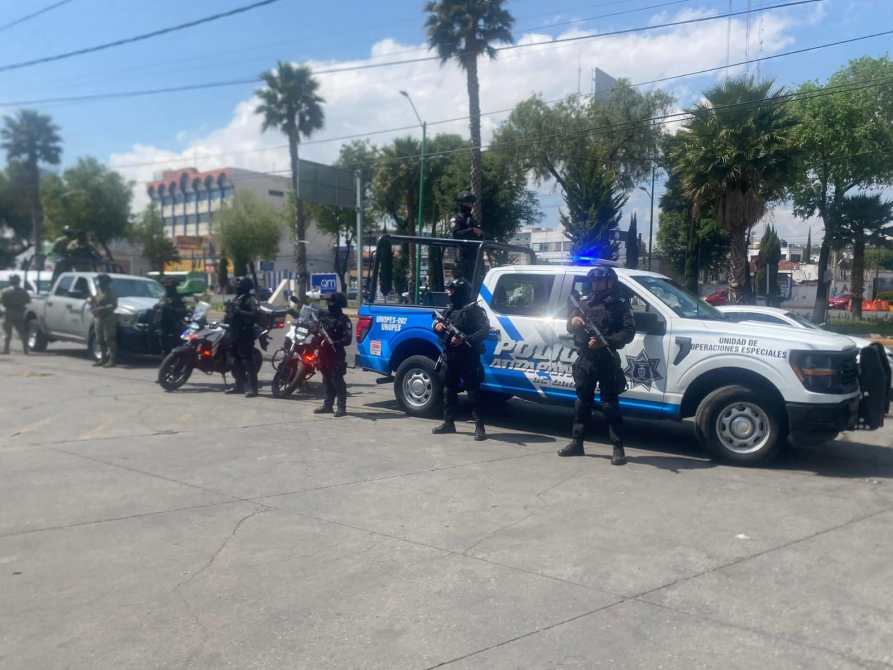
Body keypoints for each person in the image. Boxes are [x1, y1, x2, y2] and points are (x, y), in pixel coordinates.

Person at [561, 266, 635, 464]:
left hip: (607, 359)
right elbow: (569, 325)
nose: (596, 285)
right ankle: (577, 442)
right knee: (581, 402)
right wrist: (574, 321)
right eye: (594, 282)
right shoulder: (584, 303)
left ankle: (618, 448)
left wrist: (606, 341)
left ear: (610, 283)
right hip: (586, 359)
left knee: (610, 405)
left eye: (600, 281)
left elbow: (628, 332)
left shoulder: (620, 305)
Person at [431, 278, 490, 441]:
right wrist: (437, 328)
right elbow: (438, 324)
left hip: (468, 357)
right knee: (448, 389)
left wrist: (465, 340)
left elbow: (484, 330)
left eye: (452, 291)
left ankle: (480, 426)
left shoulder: (474, 310)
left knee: (473, 391)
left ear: (461, 292)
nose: (449, 293)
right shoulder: (450, 309)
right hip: (450, 356)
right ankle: (448, 422)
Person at [314, 292, 352, 417]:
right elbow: (316, 330)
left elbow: (348, 339)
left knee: (337, 379)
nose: (329, 305)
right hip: (324, 353)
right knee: (326, 379)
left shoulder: (344, 320)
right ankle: (328, 405)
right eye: (328, 302)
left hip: (336, 353)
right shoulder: (323, 316)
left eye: (332, 303)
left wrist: (336, 342)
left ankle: (341, 407)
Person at [226, 277, 259, 398]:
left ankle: (253, 388)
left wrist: (239, 311)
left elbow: (255, 315)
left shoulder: (250, 299)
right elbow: (231, 314)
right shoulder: (236, 298)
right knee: (234, 360)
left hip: (245, 334)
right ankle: (239, 385)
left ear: (244, 287)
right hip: (234, 333)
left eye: (239, 286)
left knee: (248, 362)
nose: (236, 287)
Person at [451, 192, 483, 283]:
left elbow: (479, 234)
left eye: (472, 203)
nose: (471, 205)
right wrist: (472, 230)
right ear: (462, 203)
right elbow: (456, 234)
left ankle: (488, 297)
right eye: (469, 202)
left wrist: (480, 233)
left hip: (475, 256)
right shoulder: (457, 218)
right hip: (463, 259)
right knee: (466, 284)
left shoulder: (472, 219)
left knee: (481, 282)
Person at [90, 274, 118, 367]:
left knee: (109, 339)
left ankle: (112, 360)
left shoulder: (110, 292)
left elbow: (114, 305)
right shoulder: (99, 291)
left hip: (108, 317)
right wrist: (92, 303)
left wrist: (102, 308)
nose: (99, 283)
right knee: (99, 339)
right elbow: (95, 301)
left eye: (101, 281)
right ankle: (103, 358)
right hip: (99, 317)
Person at [155, 279, 187, 354]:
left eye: (170, 286)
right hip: (164, 322)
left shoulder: (178, 296)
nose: (168, 288)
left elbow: (183, 309)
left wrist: (174, 310)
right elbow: (159, 305)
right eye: (166, 286)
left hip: (175, 321)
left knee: (177, 336)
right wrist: (158, 306)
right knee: (163, 337)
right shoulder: (164, 296)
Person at [1, 274, 31, 355]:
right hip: (20, 312)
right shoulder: (23, 291)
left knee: (7, 333)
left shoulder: (5, 291)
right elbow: (28, 301)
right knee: (22, 332)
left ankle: (6, 349)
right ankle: (26, 349)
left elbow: (2, 302)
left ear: (10, 281)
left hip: (8, 312)